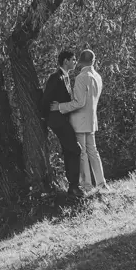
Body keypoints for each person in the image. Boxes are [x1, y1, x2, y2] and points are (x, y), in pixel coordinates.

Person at [51, 49, 105, 190]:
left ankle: (86, 184)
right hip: (91, 120)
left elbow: (79, 102)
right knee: (93, 151)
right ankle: (101, 182)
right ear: (93, 61)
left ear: (81, 61)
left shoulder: (82, 77)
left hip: (79, 120)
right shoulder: (98, 77)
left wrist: (60, 107)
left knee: (82, 153)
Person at [42, 50, 83, 197]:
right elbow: (45, 99)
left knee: (69, 150)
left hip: (63, 119)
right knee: (76, 149)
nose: (75, 62)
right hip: (57, 120)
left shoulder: (66, 77)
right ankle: (74, 186)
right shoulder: (55, 78)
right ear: (65, 61)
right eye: (73, 59)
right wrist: (47, 118)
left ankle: (72, 187)